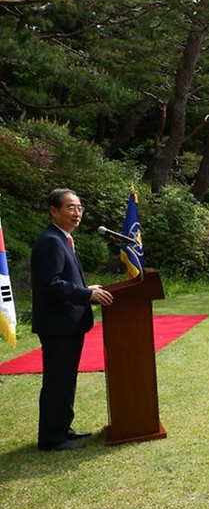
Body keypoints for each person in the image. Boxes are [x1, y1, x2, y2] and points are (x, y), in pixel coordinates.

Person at [32, 189, 114, 451]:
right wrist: (86, 294)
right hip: (58, 325)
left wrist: (85, 286)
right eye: (70, 207)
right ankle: (52, 438)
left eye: (79, 207)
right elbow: (50, 284)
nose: (76, 213)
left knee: (65, 380)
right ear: (53, 210)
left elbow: (62, 279)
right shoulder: (50, 241)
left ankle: (62, 428)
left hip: (66, 324)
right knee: (58, 381)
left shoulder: (62, 238)